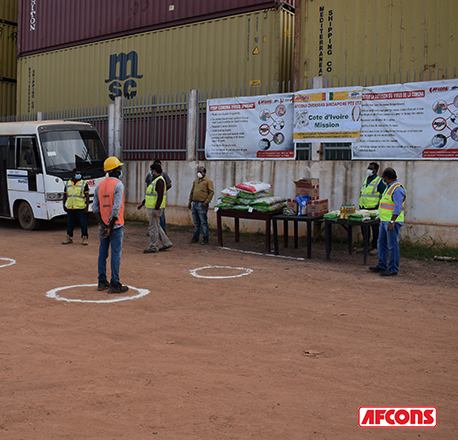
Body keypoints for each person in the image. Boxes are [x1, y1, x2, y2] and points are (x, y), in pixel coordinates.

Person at [93, 156, 129, 294]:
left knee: (102, 253)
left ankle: (102, 281)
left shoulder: (100, 185)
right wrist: (110, 226)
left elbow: (95, 208)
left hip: (103, 226)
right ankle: (115, 283)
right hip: (116, 225)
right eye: (118, 168)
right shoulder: (118, 185)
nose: (120, 170)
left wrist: (102, 224)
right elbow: (116, 208)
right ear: (114, 170)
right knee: (115, 254)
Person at [369, 167, 407, 277]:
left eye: (384, 178)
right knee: (381, 244)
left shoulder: (398, 189)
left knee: (392, 246)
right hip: (385, 221)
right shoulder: (389, 187)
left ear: (387, 178)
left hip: (392, 222)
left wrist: (392, 221)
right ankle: (382, 265)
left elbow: (398, 207)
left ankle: (393, 269)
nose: (383, 180)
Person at [138, 163, 173, 253]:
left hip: (155, 208)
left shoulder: (159, 181)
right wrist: (142, 203)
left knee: (153, 228)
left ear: (155, 171)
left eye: (152, 170)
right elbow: (151, 195)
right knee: (157, 226)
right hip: (153, 207)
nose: (151, 172)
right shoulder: (156, 180)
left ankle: (154, 247)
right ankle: (166, 243)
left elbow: (160, 196)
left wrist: (156, 209)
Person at [356, 162, 386, 255]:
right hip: (364, 208)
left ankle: (375, 247)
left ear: (376, 170)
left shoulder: (379, 181)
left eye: (371, 168)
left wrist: (379, 206)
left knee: (375, 229)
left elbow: (384, 195)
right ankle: (365, 245)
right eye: (368, 168)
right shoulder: (365, 180)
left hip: (374, 209)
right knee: (364, 228)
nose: (369, 170)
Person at [62, 168, 90, 245]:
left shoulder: (84, 184)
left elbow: (87, 196)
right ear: (73, 174)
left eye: (80, 173)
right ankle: (69, 238)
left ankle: (85, 238)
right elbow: (65, 195)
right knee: (70, 224)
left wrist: (87, 206)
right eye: (77, 173)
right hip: (70, 207)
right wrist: (63, 204)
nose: (79, 175)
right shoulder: (68, 183)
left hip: (80, 208)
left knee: (83, 224)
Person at [188, 166, 214, 245]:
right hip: (195, 203)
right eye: (198, 171)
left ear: (204, 173)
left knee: (203, 222)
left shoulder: (208, 181)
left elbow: (211, 192)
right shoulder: (196, 181)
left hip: (202, 204)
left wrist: (206, 202)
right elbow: (192, 192)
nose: (199, 173)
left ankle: (205, 238)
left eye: (201, 171)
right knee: (196, 222)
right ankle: (195, 237)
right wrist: (190, 202)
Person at [145, 159, 172, 234]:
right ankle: (163, 238)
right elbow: (148, 186)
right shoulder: (150, 175)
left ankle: (162, 232)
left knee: (161, 217)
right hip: (151, 202)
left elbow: (169, 185)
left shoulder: (162, 176)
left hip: (158, 203)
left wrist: (162, 190)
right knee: (154, 222)